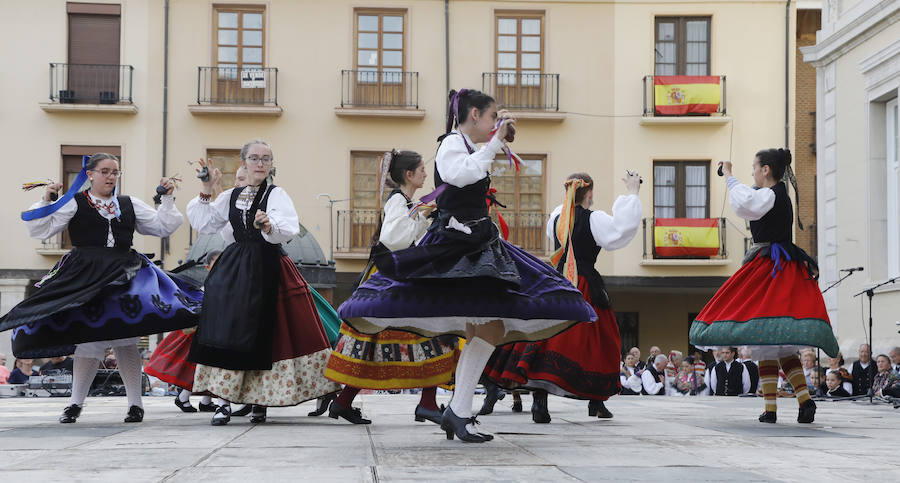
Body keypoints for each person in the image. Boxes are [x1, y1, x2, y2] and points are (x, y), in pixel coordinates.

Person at [338, 89, 595, 443]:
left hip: (474, 244)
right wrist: (493, 144)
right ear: (474, 114)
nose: (493, 125)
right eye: (490, 118)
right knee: (488, 328)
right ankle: (457, 413)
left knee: (486, 327)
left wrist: (497, 137)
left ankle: (457, 413)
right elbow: (462, 176)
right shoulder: (449, 146)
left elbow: (474, 170)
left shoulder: (466, 145)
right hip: (458, 247)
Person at [0, 153, 200, 424]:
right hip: (85, 275)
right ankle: (74, 404)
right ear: (90, 175)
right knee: (89, 339)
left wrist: (166, 199)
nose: (110, 176)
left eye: (115, 172)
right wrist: (47, 199)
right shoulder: (74, 202)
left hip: (123, 273)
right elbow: (41, 229)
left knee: (126, 337)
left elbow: (163, 225)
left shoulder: (129, 204)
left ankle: (135, 405)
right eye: (105, 171)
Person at [186, 139, 340, 426]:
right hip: (234, 268)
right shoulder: (231, 196)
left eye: (265, 159)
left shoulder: (276, 194)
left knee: (269, 333)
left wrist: (269, 225)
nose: (260, 163)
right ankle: (223, 402)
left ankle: (260, 401)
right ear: (243, 162)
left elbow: (288, 227)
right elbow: (206, 224)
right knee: (227, 329)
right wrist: (206, 190)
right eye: (254, 158)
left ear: (270, 164)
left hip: (267, 266)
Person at [690, 149, 839, 424]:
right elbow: (749, 200)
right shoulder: (775, 195)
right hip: (779, 268)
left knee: (770, 339)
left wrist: (729, 176)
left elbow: (744, 202)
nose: (753, 172)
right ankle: (789, 405)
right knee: (773, 344)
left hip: (772, 271)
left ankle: (783, 406)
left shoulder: (769, 195)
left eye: (754, 167)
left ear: (766, 169)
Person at [484, 170, 642, 423]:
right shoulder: (594, 219)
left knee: (545, 336)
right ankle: (597, 400)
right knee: (601, 338)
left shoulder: (558, 216)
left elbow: (558, 238)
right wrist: (632, 192)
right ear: (589, 192)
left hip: (557, 280)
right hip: (583, 283)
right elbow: (621, 230)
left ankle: (540, 401)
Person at [322, 149, 460, 425]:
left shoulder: (405, 201)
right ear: (409, 174)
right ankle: (427, 404)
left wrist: (422, 214)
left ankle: (344, 402)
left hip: (393, 277)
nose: (424, 173)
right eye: (421, 169)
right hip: (395, 279)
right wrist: (422, 217)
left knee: (374, 342)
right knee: (429, 332)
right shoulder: (398, 200)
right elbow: (395, 238)